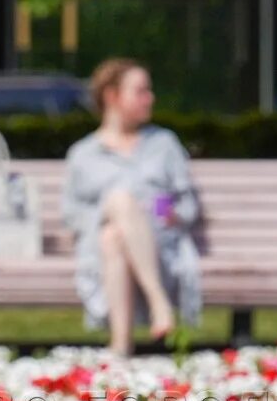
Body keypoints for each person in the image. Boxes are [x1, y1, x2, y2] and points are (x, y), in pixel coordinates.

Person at [62, 58, 202, 356]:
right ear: (112, 96)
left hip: (160, 248)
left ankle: (121, 347)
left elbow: (187, 205)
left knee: (115, 231)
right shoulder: (83, 154)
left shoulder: (163, 144)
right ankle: (158, 303)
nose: (150, 98)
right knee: (116, 218)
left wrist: (170, 212)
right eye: (140, 91)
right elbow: (72, 214)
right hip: (100, 251)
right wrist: (113, 212)